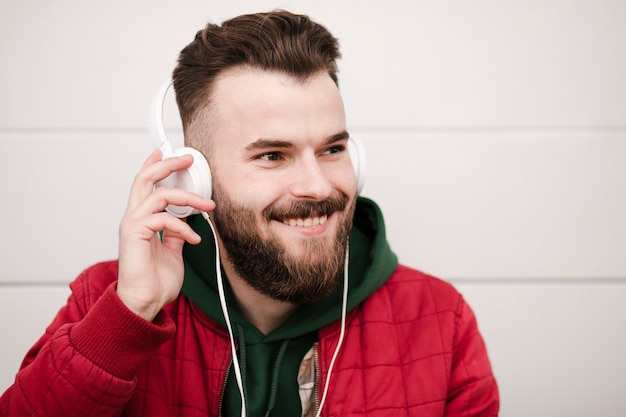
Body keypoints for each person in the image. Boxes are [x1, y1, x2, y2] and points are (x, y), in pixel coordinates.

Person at [0, 10, 499, 417]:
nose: (318, 186)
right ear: (195, 177)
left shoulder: (439, 319)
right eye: (271, 155)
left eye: (332, 149)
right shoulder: (107, 305)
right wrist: (128, 317)